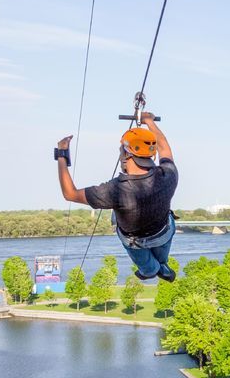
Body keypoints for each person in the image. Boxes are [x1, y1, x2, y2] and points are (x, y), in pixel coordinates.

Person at [55, 112, 178, 282]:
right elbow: (164, 147)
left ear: (127, 154)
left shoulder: (116, 190)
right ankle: (162, 267)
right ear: (152, 154)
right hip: (163, 232)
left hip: (136, 242)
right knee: (161, 253)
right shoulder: (168, 175)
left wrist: (61, 154)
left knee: (148, 268)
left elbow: (70, 194)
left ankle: (152, 270)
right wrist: (149, 122)